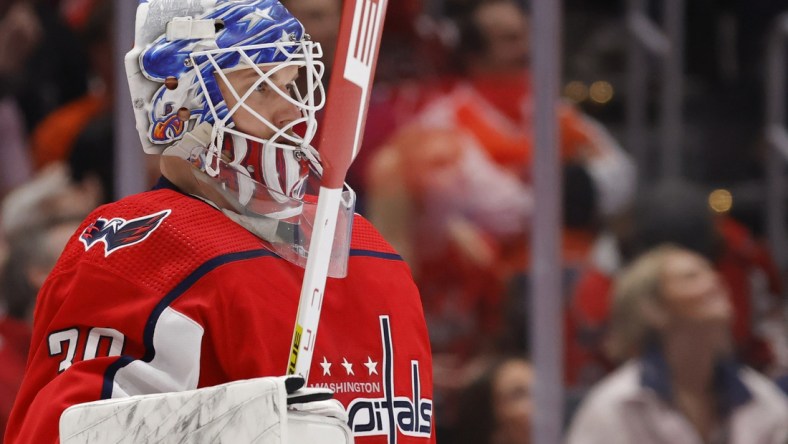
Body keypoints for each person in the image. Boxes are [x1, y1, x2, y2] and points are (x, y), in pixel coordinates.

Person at [5, 1, 435, 443]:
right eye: (262, 88)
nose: (291, 112)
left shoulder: (369, 250)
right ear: (178, 99)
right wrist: (236, 423)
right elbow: (60, 432)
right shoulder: (138, 247)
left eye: (293, 85)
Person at [565, 245, 788, 444]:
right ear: (652, 308)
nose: (714, 281)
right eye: (691, 277)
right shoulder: (617, 406)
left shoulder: (762, 398)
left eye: (712, 272)